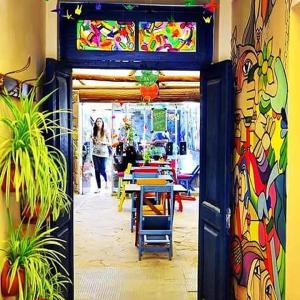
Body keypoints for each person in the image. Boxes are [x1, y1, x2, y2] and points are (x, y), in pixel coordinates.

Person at [91, 118, 111, 192]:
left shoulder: (106, 131)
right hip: (95, 153)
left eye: (100, 121)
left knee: (102, 169)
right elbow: (94, 143)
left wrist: (103, 143)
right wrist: (93, 139)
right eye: (97, 121)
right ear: (95, 123)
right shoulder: (94, 131)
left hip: (104, 153)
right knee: (96, 170)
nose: (98, 122)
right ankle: (98, 188)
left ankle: (106, 181)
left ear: (102, 123)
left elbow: (110, 143)